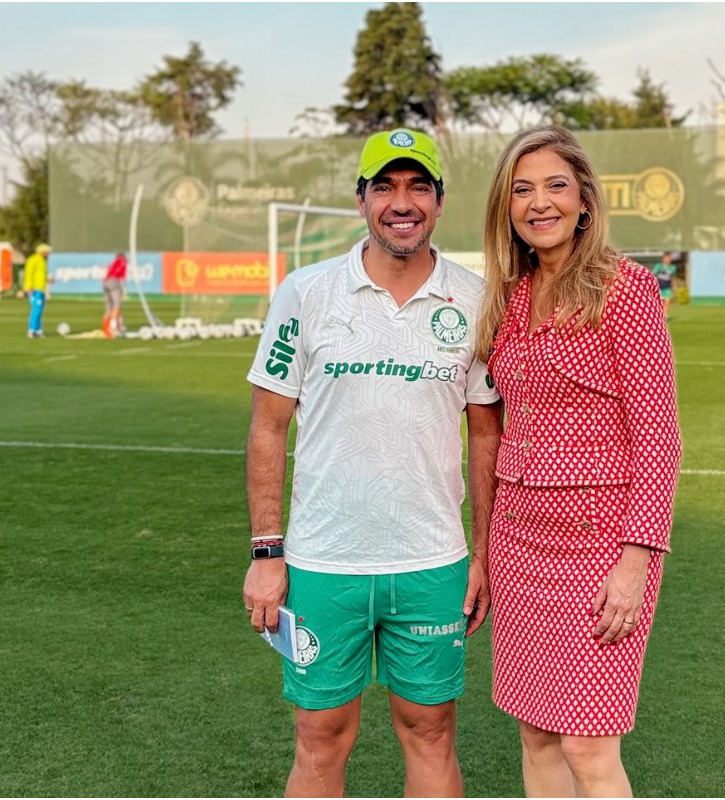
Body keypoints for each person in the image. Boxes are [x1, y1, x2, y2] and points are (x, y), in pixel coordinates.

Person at [242, 128, 503, 798]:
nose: (402, 201)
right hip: (324, 563)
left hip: (432, 563)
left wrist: (483, 553)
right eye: (385, 185)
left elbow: (485, 435)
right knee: (321, 740)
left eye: (418, 185)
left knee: (431, 731)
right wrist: (267, 552)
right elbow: (269, 427)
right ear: (361, 200)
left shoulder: (476, 301)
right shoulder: (306, 292)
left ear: (440, 202)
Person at [475, 126, 682, 798]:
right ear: (507, 207)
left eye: (555, 186)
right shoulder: (507, 297)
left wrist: (636, 560)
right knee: (536, 734)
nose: (540, 203)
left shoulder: (626, 290)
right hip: (518, 541)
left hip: (601, 550)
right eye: (523, 189)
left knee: (588, 747)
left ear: (585, 199)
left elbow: (658, 435)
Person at [22, 243, 52, 338]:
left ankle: (38, 330)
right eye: (47, 251)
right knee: (36, 310)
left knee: (39, 310)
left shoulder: (42, 261)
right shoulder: (33, 259)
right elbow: (29, 273)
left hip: (41, 289)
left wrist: (47, 280)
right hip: (35, 289)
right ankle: (31, 330)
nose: (48, 253)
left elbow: (40, 275)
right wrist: (29, 286)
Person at [102, 251, 128, 338]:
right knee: (117, 305)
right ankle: (114, 327)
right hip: (114, 282)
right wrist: (124, 288)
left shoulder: (113, 262)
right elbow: (122, 276)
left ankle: (106, 328)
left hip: (105, 282)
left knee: (109, 306)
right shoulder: (123, 261)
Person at [650, 252, 676, 318]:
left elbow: (673, 277)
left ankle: (665, 313)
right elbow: (652, 274)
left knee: (668, 300)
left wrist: (673, 286)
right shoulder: (659, 266)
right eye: (666, 259)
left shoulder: (673, 267)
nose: (668, 260)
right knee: (659, 301)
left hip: (667, 286)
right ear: (663, 259)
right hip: (659, 286)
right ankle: (657, 313)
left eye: (669, 259)